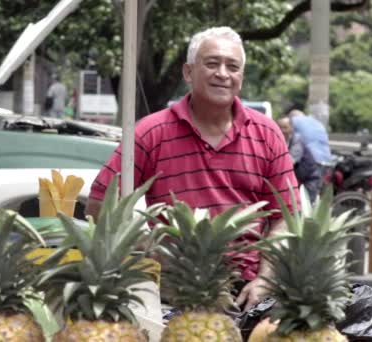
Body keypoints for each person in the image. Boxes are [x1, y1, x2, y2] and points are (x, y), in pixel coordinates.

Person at [85, 26, 298, 311]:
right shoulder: (150, 132)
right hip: (173, 291)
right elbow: (100, 205)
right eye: (212, 63)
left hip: (248, 292)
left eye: (232, 67)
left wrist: (265, 279)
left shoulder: (267, 133)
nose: (223, 73)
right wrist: (149, 249)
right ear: (188, 73)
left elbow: (287, 215)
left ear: (241, 78)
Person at [277, 117, 321, 202]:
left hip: (309, 178)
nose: (283, 130)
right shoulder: (280, 141)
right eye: (280, 127)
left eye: (285, 127)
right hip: (297, 179)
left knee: (307, 207)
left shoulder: (297, 140)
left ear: (291, 128)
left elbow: (290, 161)